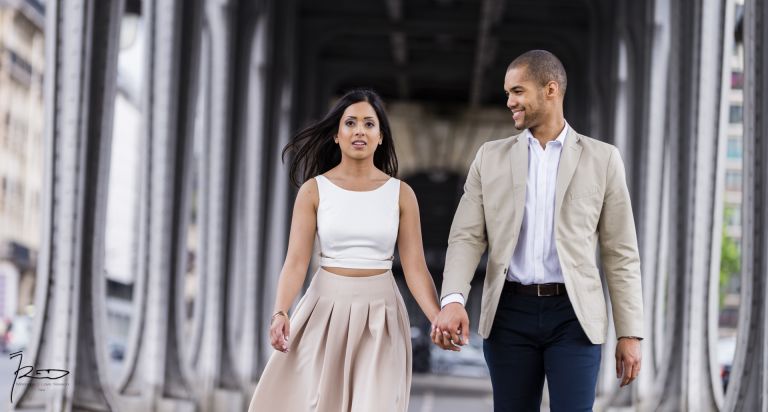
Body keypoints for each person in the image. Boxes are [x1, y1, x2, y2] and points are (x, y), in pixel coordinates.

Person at [431, 50, 644, 411]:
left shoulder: (603, 159)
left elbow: (620, 252)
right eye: (507, 94)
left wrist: (630, 332)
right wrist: (453, 300)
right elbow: (466, 236)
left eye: (517, 91)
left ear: (550, 90)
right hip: (509, 314)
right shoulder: (489, 157)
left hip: (574, 317)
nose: (510, 102)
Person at [248, 88, 442, 412]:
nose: (359, 131)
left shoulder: (401, 194)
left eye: (369, 124)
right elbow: (295, 263)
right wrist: (280, 311)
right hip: (324, 309)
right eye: (350, 123)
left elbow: (415, 267)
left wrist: (438, 318)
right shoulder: (314, 190)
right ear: (337, 135)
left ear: (380, 136)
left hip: (382, 315)